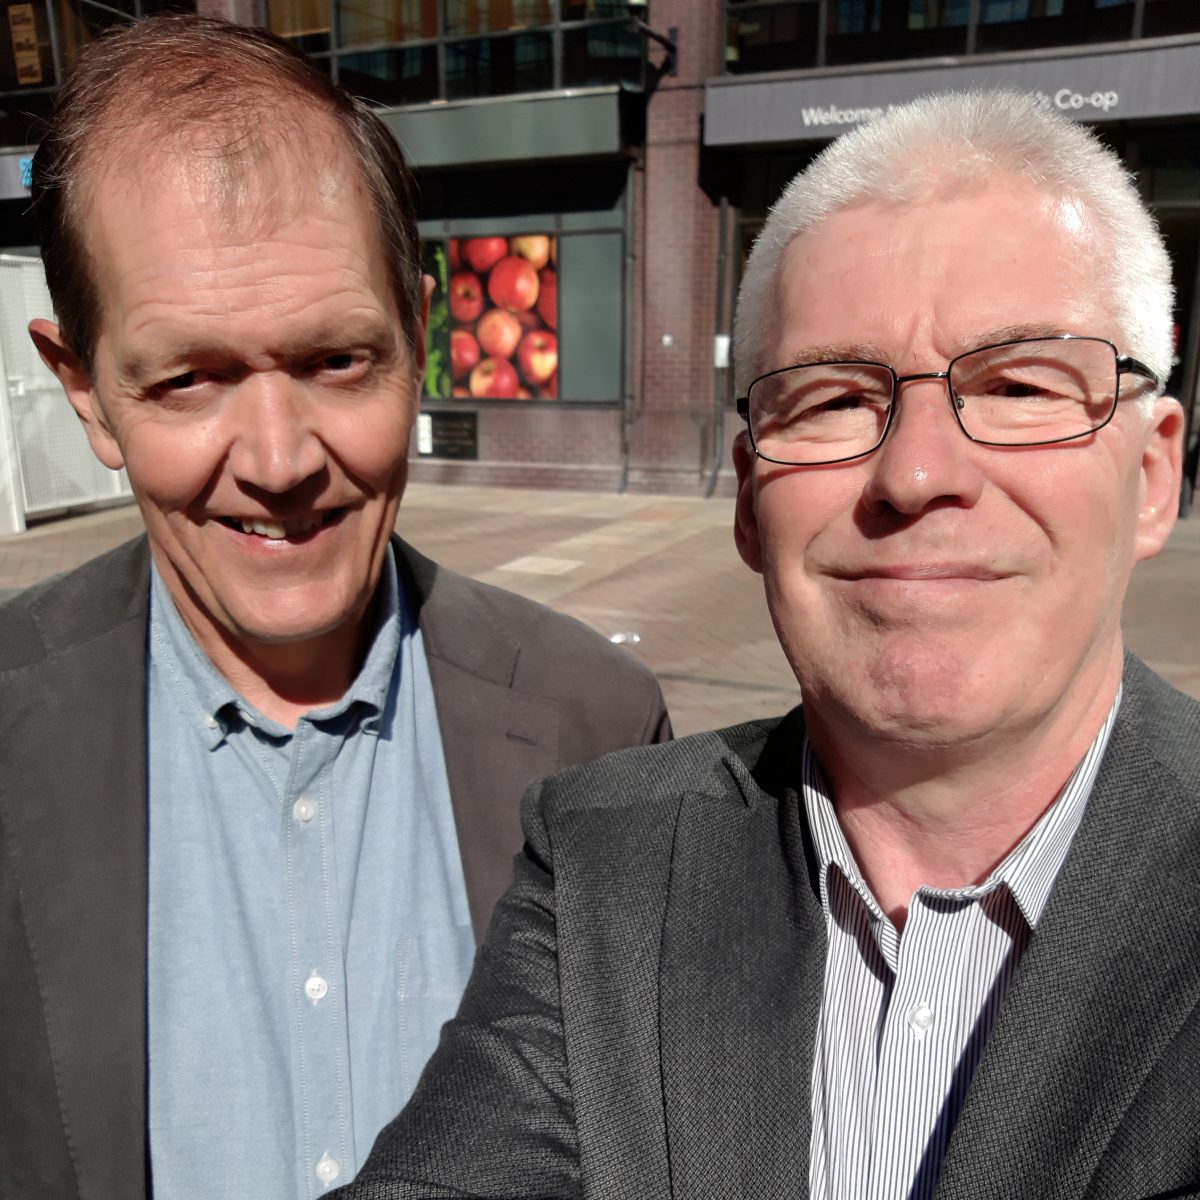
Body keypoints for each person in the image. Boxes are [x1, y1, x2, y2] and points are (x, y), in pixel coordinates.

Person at [342, 90, 1197, 1200]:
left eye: (1020, 385)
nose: (916, 474)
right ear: (749, 502)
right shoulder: (606, 864)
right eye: (834, 400)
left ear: (1153, 475)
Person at [0, 15, 671, 1200]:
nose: (279, 460)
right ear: (86, 392)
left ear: (420, 337)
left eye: (336, 362)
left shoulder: (600, 725)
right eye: (189, 378)